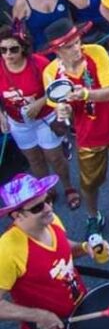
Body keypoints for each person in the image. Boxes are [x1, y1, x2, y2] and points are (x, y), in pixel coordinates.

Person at [0, 173, 109, 329]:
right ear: (17, 216)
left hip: (80, 314)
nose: (49, 207)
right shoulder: (8, 251)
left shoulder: (51, 220)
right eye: (38, 206)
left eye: (48, 199)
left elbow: (64, 248)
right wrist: (39, 316)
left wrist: (85, 248)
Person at [41, 19, 109, 236]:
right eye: (69, 47)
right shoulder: (51, 73)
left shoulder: (97, 52)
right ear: (57, 51)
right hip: (88, 135)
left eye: (78, 42)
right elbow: (61, 107)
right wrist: (63, 111)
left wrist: (85, 93)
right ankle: (93, 216)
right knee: (89, 184)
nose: (77, 48)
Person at [0, 26, 75, 206]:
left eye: (13, 49)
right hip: (18, 123)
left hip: (44, 118)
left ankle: (68, 188)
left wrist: (39, 102)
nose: (8, 54)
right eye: (3, 49)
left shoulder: (38, 63)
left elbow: (57, 88)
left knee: (54, 157)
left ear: (23, 48)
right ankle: (46, 190)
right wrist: (1, 116)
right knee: (34, 159)